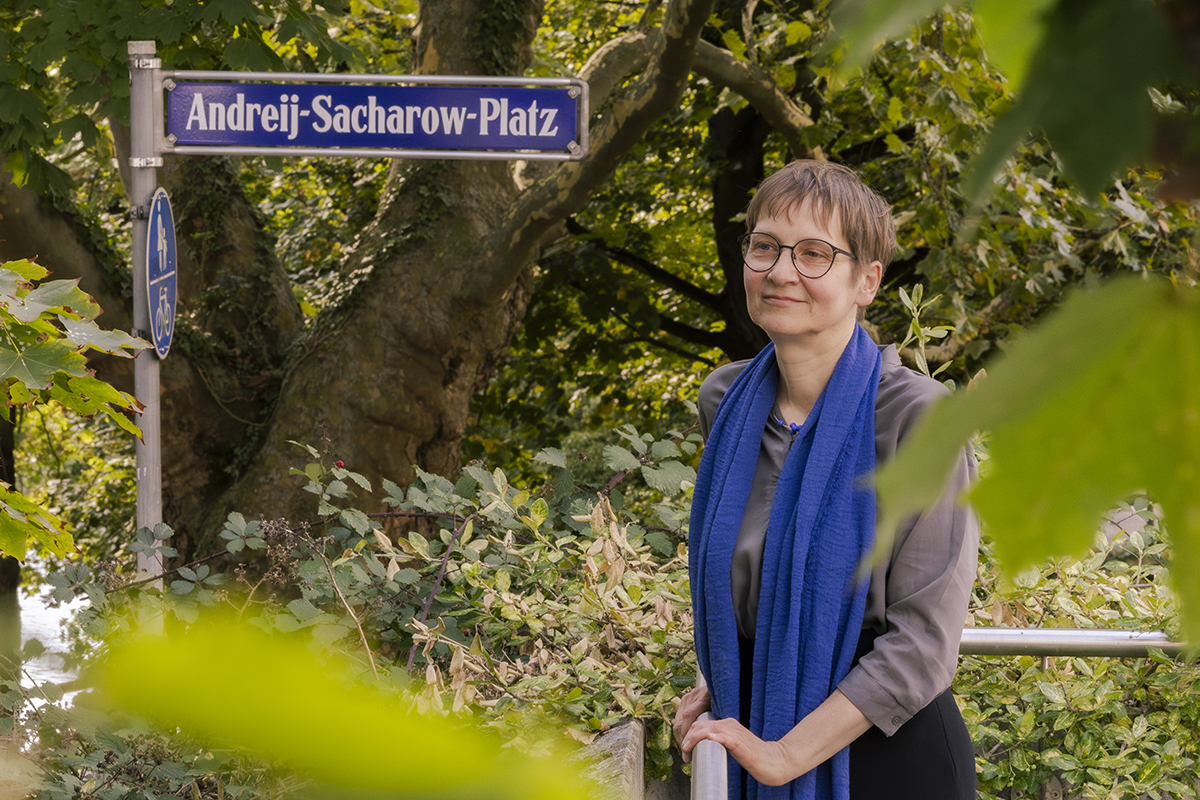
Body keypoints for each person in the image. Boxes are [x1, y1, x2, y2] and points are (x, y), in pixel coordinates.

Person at [674, 160, 979, 800]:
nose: (782, 271)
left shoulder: (916, 419)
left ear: (867, 280)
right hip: (756, 728)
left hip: (887, 758)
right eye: (765, 246)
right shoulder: (726, 402)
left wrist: (786, 754)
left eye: (814, 253)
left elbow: (924, 642)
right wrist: (722, 683)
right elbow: (764, 577)